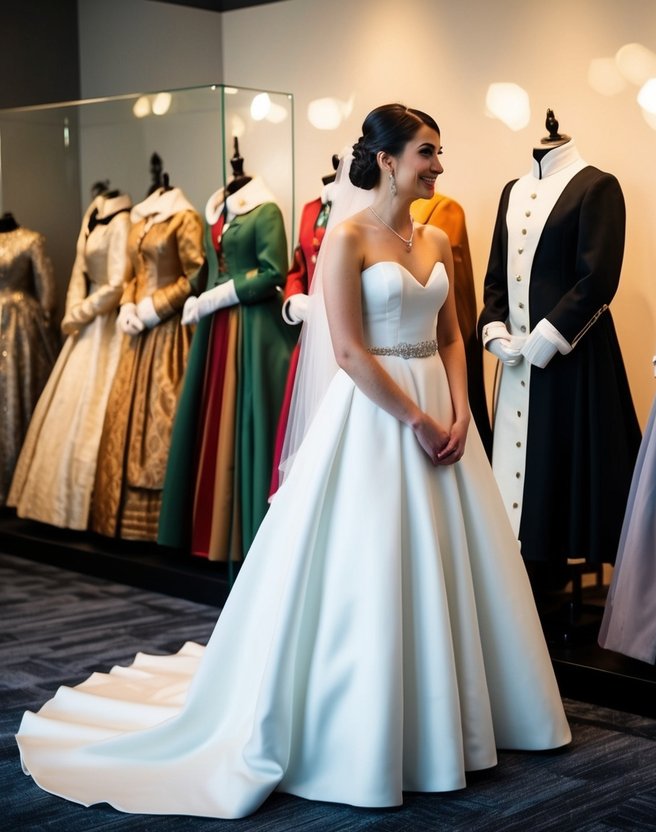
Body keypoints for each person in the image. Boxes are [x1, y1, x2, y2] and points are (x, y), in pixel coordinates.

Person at [16, 104, 572, 819]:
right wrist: (417, 418)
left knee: (454, 559)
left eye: (438, 150)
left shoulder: (436, 237)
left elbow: (454, 334)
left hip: (442, 407)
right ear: (389, 160)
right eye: (427, 151)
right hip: (379, 414)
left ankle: (461, 717)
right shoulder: (346, 238)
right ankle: (373, 728)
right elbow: (346, 351)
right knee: (371, 567)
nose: (438, 163)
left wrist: (460, 411)